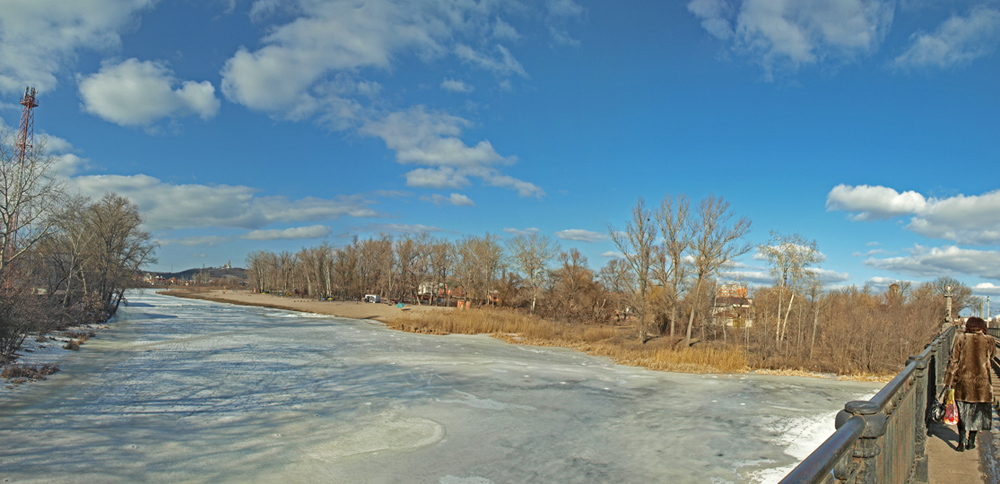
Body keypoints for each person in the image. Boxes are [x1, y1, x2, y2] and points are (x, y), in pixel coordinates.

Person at [944, 316, 995, 451]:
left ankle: (961, 442)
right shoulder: (988, 340)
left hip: (963, 382)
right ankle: (971, 441)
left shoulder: (961, 338)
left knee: (962, 412)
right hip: (982, 384)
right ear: (982, 327)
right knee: (978, 414)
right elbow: (992, 356)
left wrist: (948, 380)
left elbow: (953, 360)